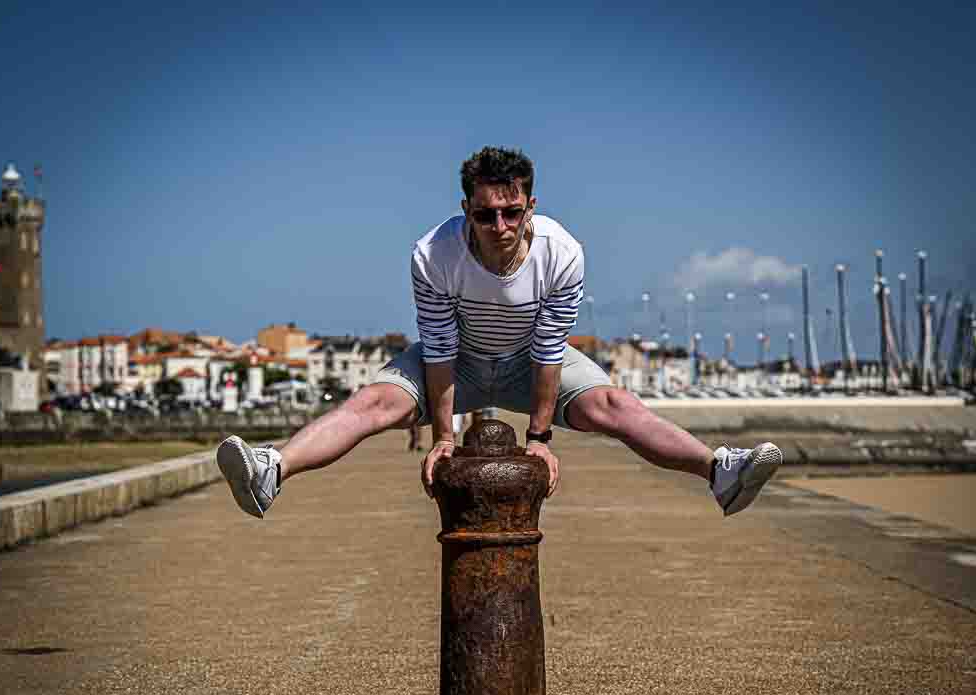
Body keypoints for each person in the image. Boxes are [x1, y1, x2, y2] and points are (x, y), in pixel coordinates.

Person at [216, 146, 781, 518]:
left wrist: (538, 439)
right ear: (466, 209)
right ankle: (272, 470)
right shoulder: (433, 253)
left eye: (512, 212)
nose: (501, 227)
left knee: (614, 403)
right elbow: (438, 349)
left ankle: (720, 472)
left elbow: (550, 347)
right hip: (457, 361)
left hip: (527, 364)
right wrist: (442, 435)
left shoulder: (563, 254)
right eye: (485, 215)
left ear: (531, 205)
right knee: (371, 401)